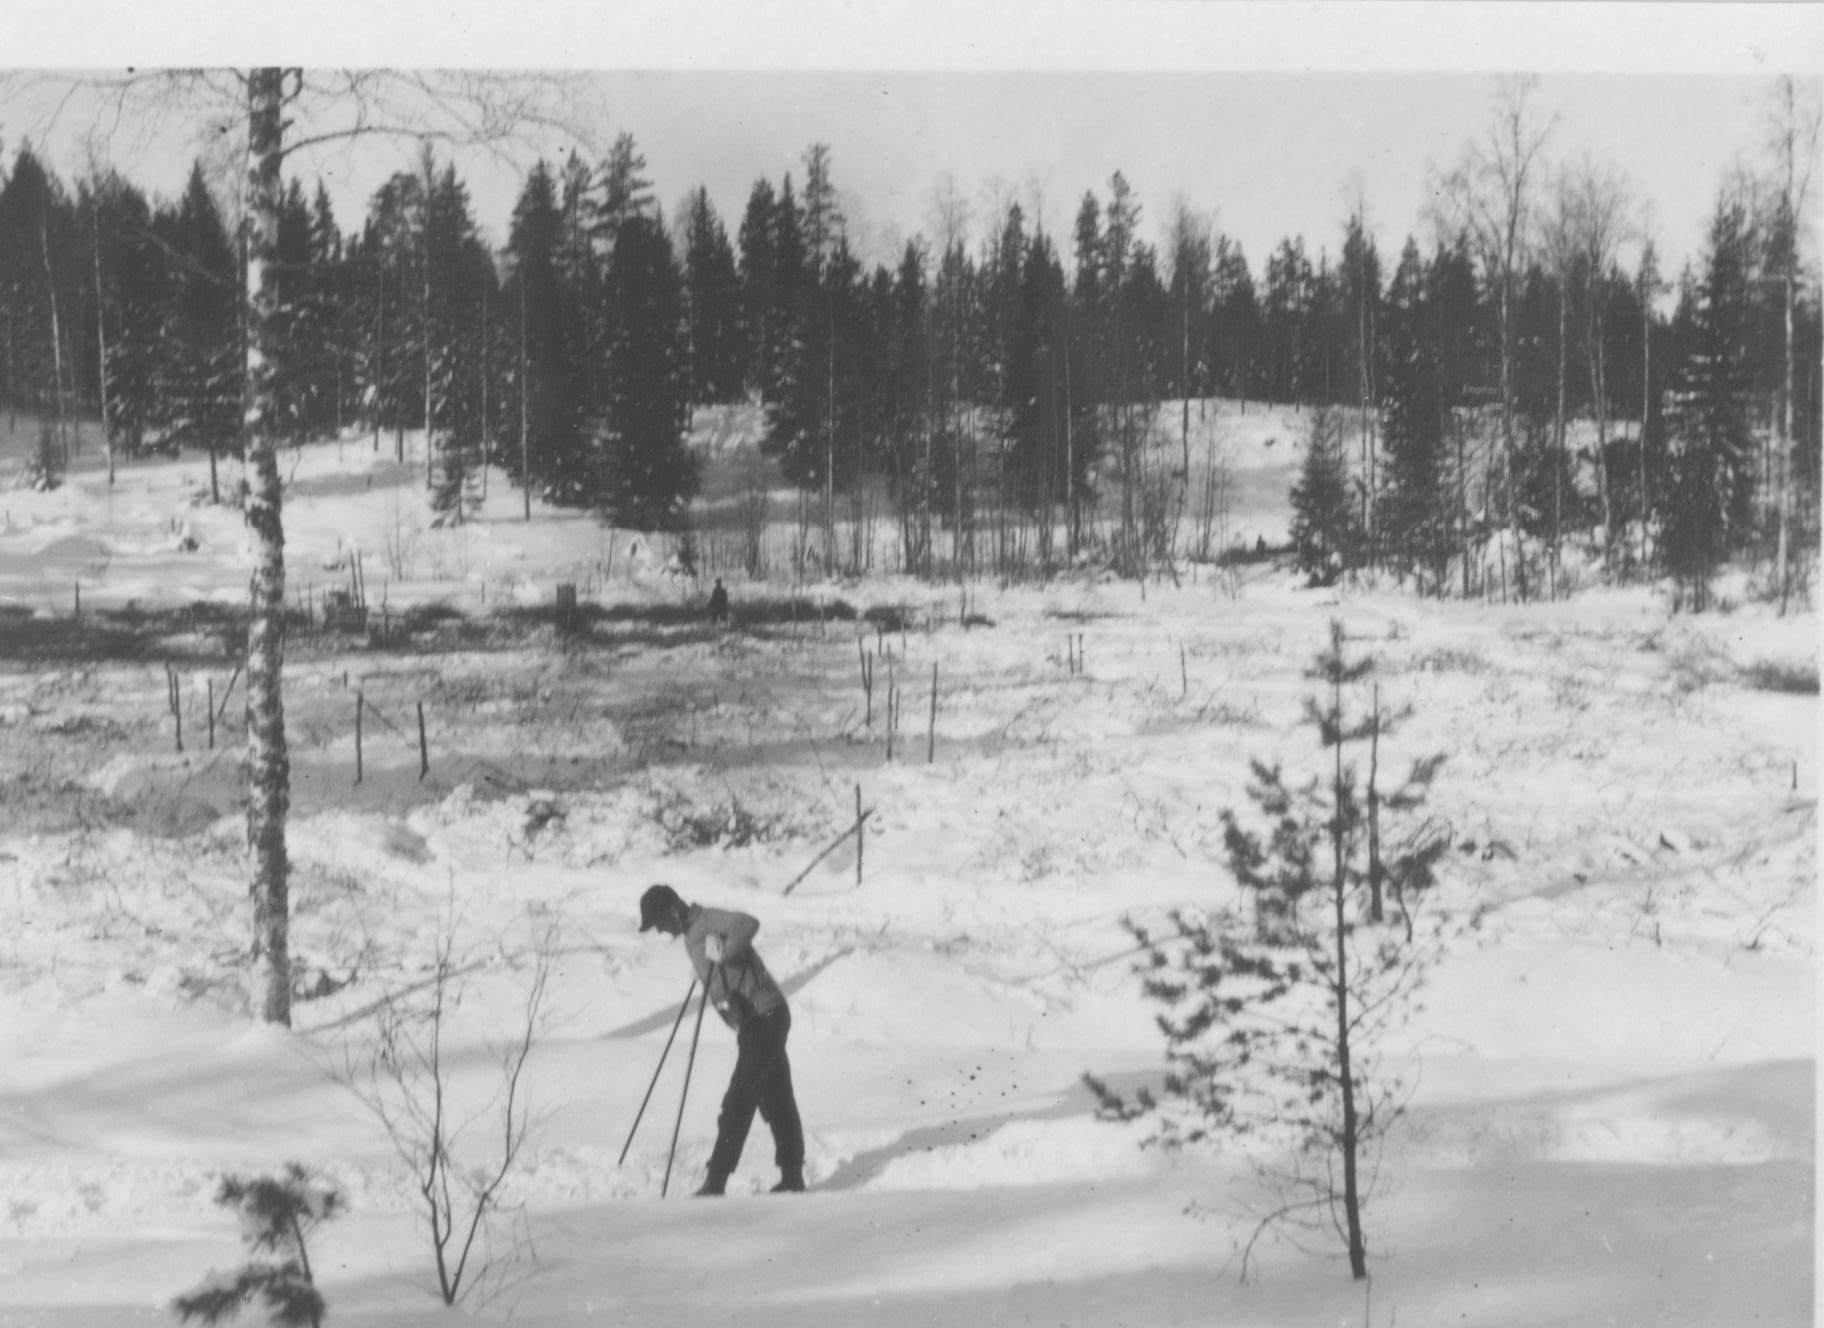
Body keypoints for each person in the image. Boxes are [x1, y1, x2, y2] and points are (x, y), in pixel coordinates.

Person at [638, 883, 805, 1196]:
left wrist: (725, 952)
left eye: (659, 923)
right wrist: (707, 973)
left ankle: (715, 1183)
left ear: (673, 910)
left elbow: (748, 923)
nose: (661, 931)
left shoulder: (706, 920)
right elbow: (719, 971)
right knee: (777, 1099)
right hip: (756, 1021)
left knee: (738, 1102)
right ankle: (792, 1178)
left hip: (764, 1017)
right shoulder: (692, 935)